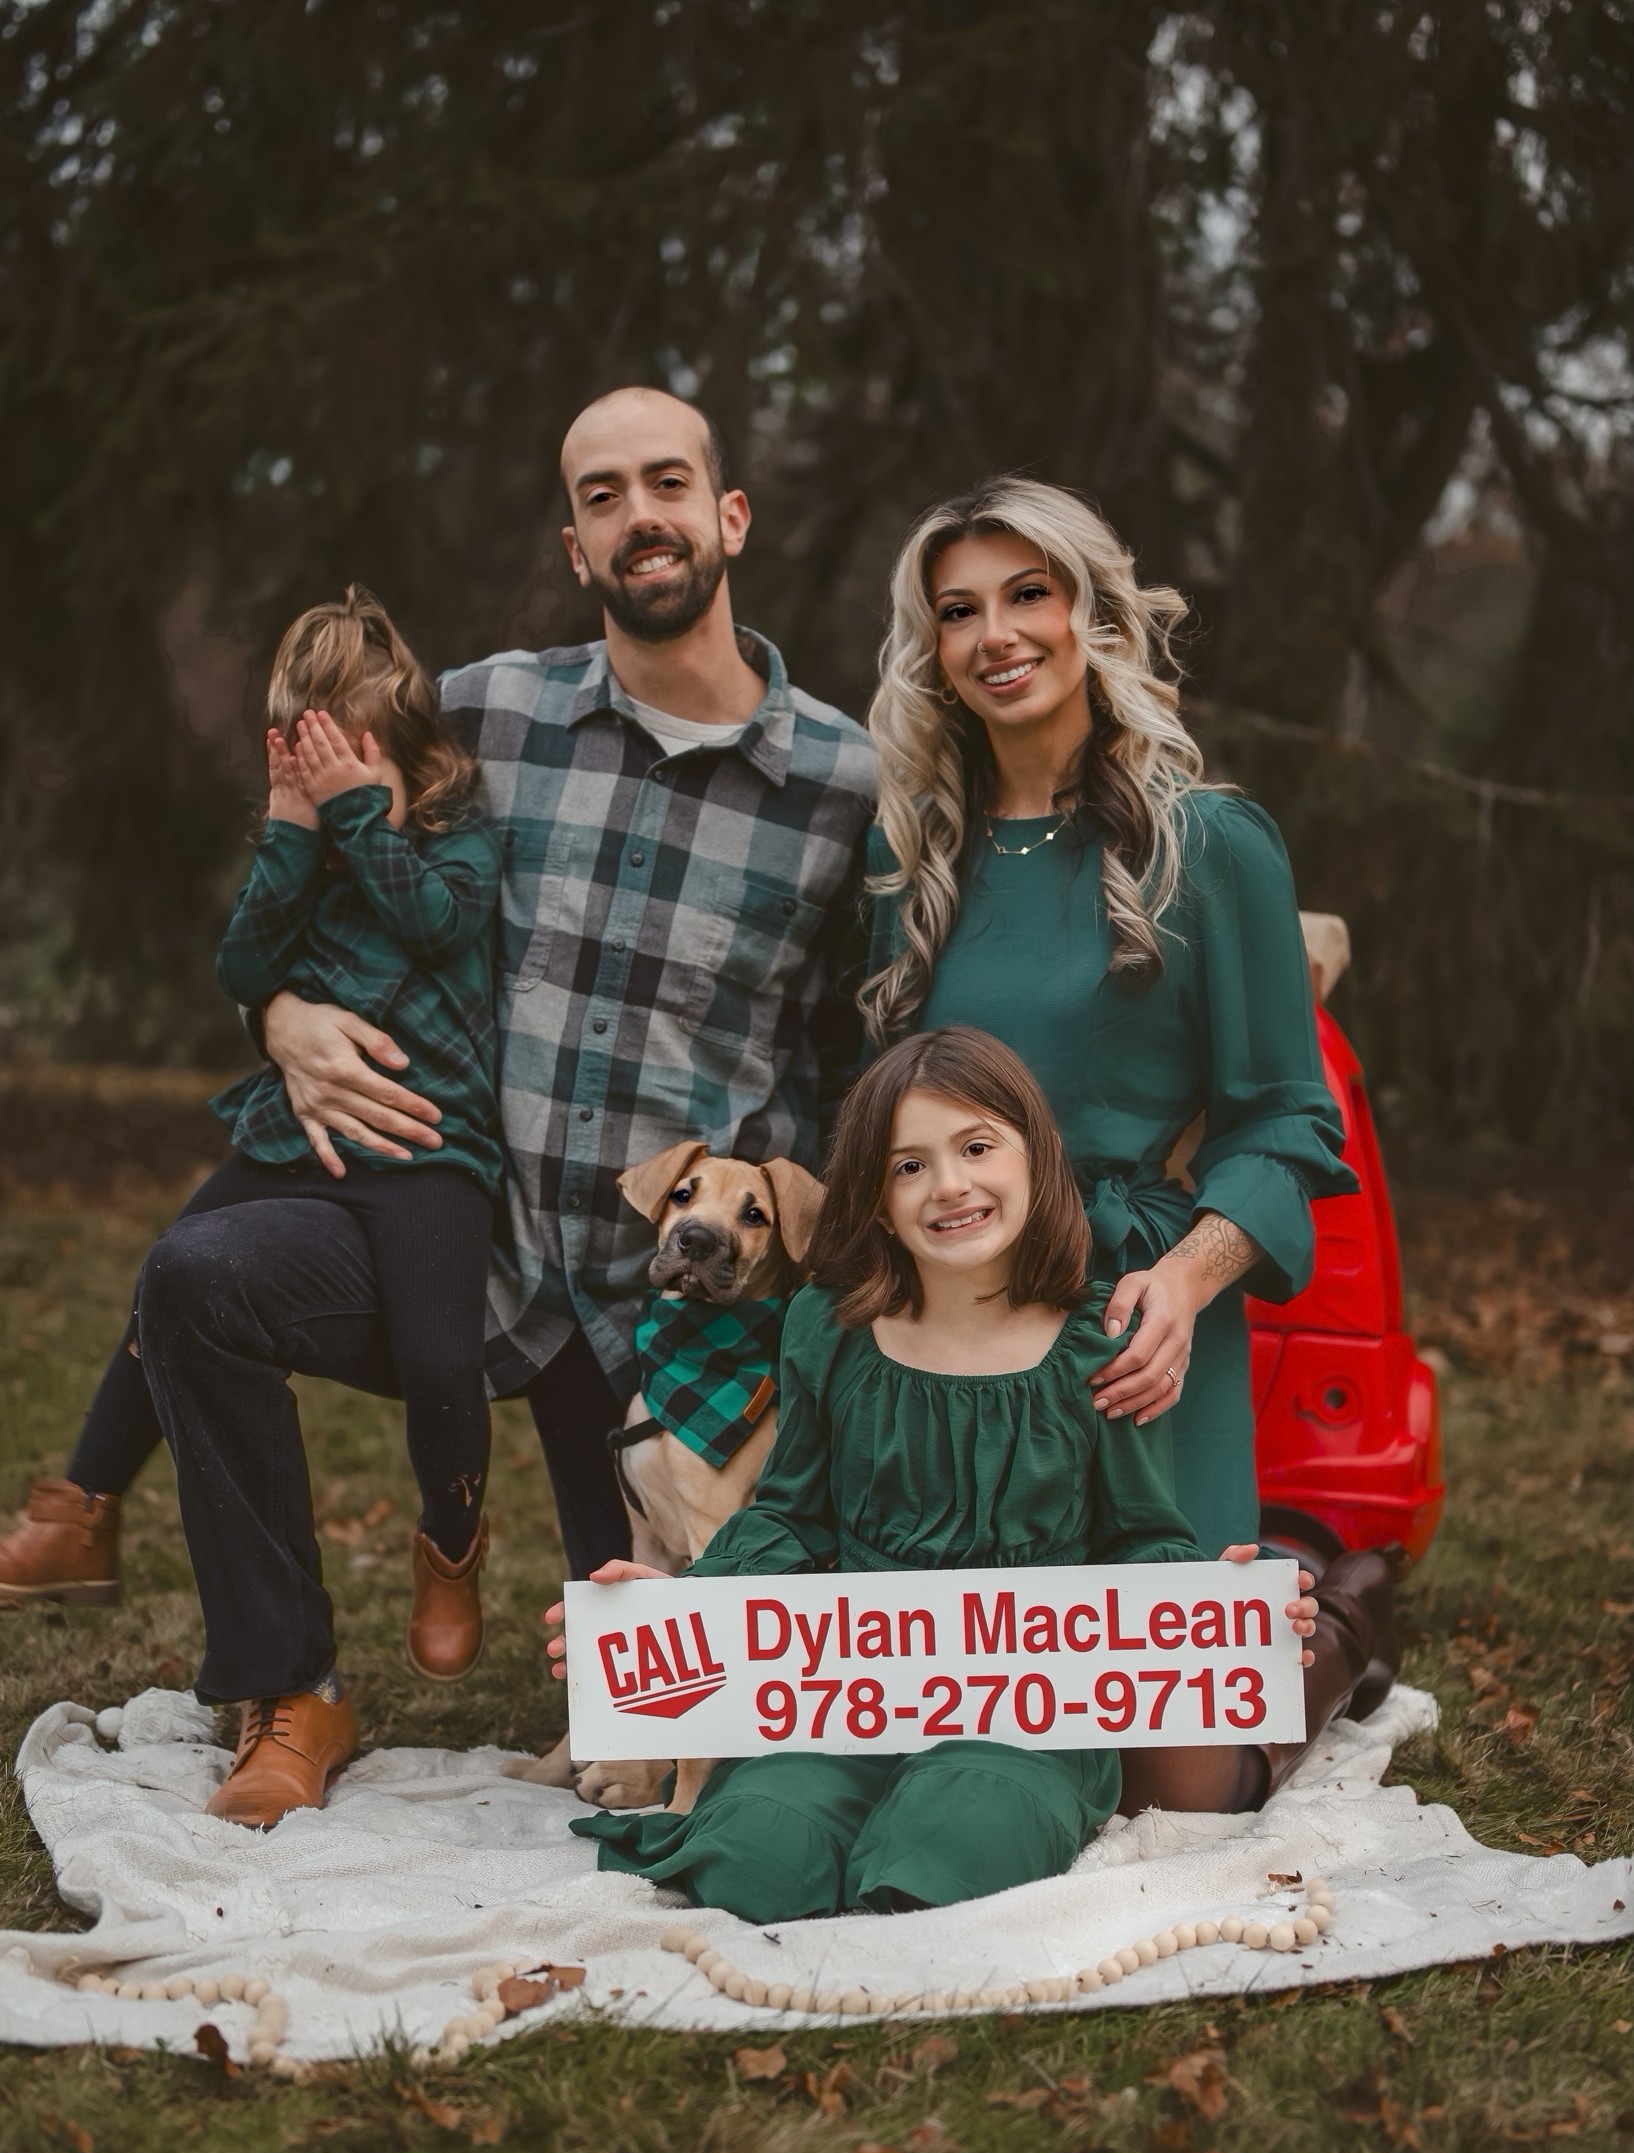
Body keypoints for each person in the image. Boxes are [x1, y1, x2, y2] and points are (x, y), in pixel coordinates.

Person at [0, 387, 875, 1829]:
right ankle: (291, 1689)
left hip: (663, 1299)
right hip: (448, 1220)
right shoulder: (481, 710)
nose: (637, 514)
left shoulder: (847, 784)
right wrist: (277, 1016)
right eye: (601, 495)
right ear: (575, 541)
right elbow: (312, 847)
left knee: (652, 1713)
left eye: (667, 483)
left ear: (728, 517)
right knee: (198, 1276)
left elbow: (859, 1048)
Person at [858, 477, 1395, 1816]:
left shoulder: (1209, 843)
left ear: (1091, 609)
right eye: (958, 611)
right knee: (956, 1721)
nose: (996, 634)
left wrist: (1191, 1279)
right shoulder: (911, 866)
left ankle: (1327, 1616)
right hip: (958, 1330)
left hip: (1137, 1329)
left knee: (1180, 1777)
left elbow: (1287, 1120)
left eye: (1027, 594)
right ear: (932, 650)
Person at [558, 1029, 1349, 1925]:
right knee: (752, 1857)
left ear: (1034, 1157)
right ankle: (807, 1824)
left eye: (976, 1148)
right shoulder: (830, 1327)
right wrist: (670, 1606)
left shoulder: (1100, 1339)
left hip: (1028, 1711)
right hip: (846, 1693)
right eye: (908, 1166)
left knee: (940, 1853)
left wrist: (1210, 1613)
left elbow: (1141, 1536)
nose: (950, 1186)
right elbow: (789, 1518)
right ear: (875, 1194)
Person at [0, 590, 503, 1814]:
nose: (332, 771)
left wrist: (357, 820)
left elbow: (436, 925)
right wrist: (292, 835)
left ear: (408, 745)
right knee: (171, 1269)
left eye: (356, 747)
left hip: (430, 1145)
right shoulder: (309, 843)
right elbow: (242, 968)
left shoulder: (452, 829)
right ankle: (82, 1507)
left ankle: (449, 1548)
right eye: (307, 750)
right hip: (299, 1130)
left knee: (446, 1355)